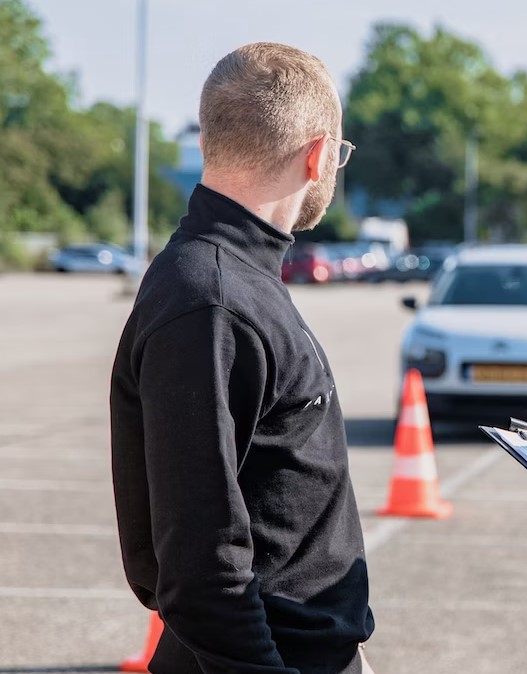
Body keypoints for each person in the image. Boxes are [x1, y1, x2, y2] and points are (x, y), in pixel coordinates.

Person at [110, 43, 374, 673]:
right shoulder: (212, 301)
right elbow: (201, 565)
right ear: (317, 156)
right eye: (338, 154)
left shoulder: (234, 280)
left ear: (209, 141)